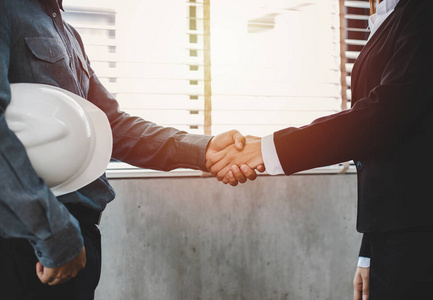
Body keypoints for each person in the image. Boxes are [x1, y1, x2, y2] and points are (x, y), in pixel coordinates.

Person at [0, 0, 261, 299]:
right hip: (32, 242)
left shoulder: (65, 30)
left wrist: (204, 149)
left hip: (76, 240)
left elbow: (111, 125)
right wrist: (53, 233)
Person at [208, 0, 433, 299]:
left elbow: (384, 116)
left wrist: (267, 149)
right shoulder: (388, 15)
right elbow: (383, 156)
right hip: (392, 234)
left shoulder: (431, 10)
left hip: (426, 235)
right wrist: (369, 253)